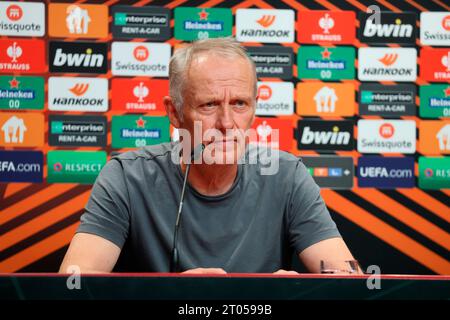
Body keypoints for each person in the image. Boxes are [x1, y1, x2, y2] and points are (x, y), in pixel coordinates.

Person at [59, 37, 356, 274]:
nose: (227, 124)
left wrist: (291, 295)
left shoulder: (287, 175)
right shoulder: (126, 176)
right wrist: (173, 296)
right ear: (174, 112)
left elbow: (349, 276)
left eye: (239, 103)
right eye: (209, 105)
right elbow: (73, 282)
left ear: (255, 106)